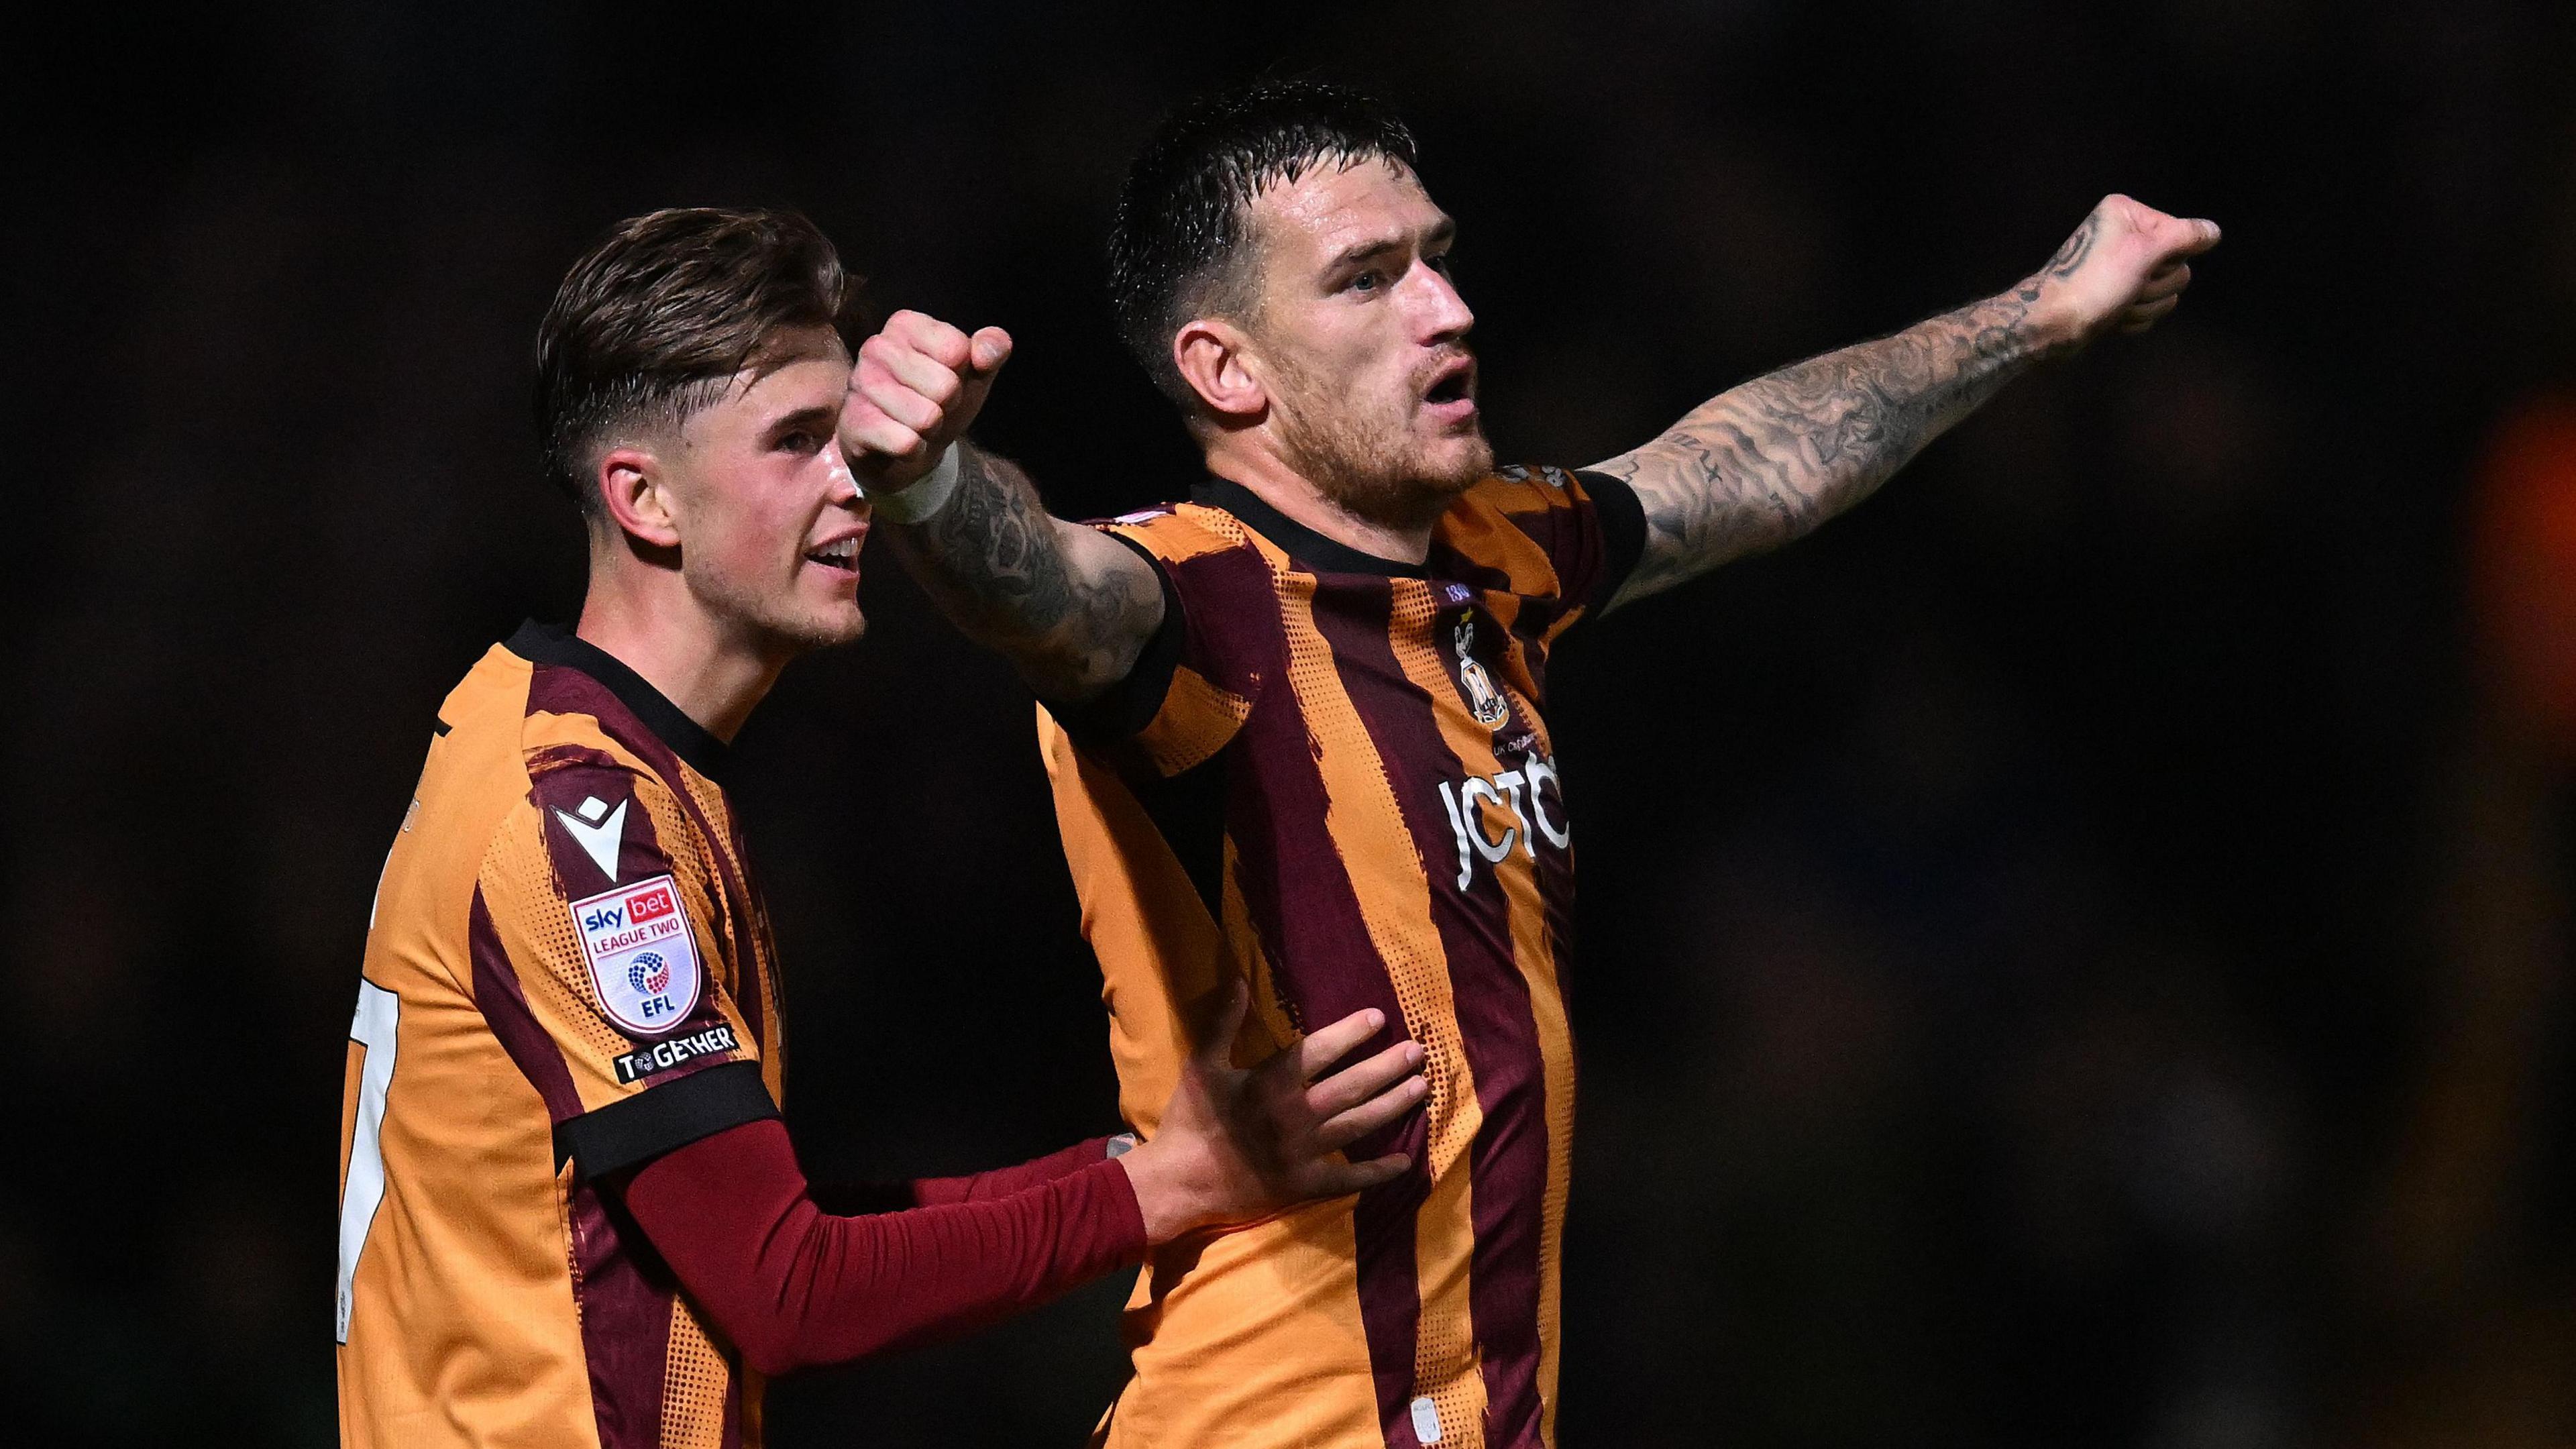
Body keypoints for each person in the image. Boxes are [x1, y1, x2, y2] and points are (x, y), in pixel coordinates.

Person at [838, 81, 2219, 1449]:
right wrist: (929, 487)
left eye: (1437, 259)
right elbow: (1039, 589)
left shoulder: (1498, 557)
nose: (1446, 311)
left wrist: (2035, 315)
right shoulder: (1196, 604)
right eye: (1367, 281)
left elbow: (1742, 465)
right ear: (1225, 370)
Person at [333, 205, 1428, 1449]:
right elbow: (788, 1292)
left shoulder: (550, 743)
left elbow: (756, 1225)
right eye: (796, 442)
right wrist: (1164, 1188)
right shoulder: (581, 825)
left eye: (845, 433)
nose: (854, 479)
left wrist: (1156, 1173)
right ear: (644, 498)